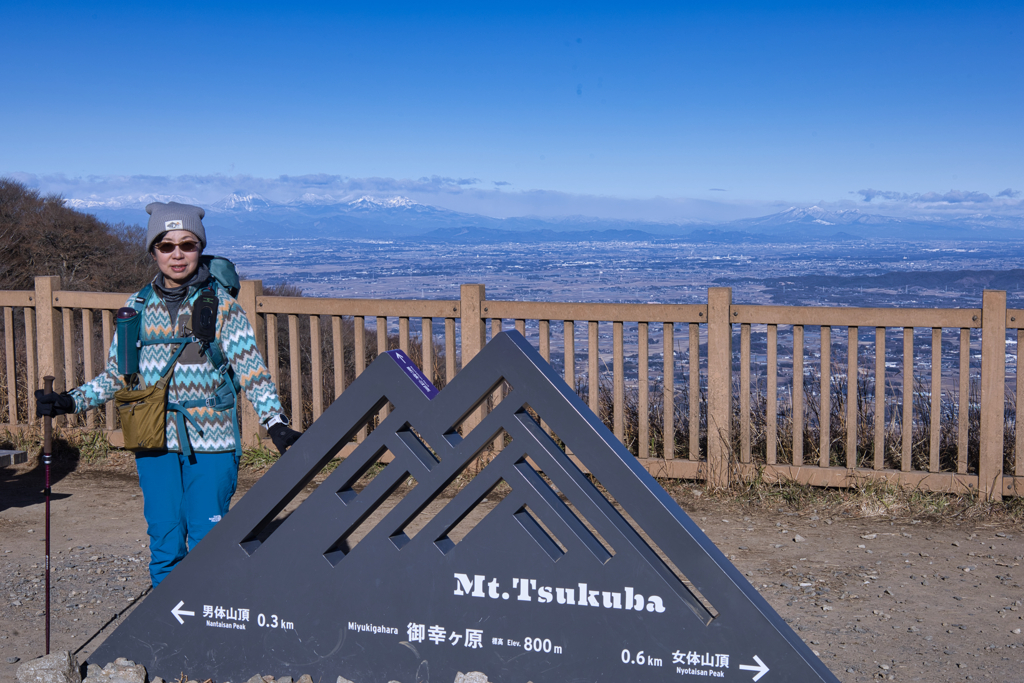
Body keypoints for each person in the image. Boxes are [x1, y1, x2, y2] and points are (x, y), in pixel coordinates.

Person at [35, 202, 301, 586]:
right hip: (152, 436)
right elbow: (118, 375)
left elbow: (250, 369)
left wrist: (275, 422)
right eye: (166, 245)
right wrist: (71, 401)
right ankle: (168, 628)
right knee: (164, 538)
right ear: (153, 250)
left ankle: (210, 623)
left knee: (210, 538)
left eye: (188, 245)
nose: (177, 255)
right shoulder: (136, 308)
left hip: (213, 439)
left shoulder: (223, 306)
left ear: (200, 248)